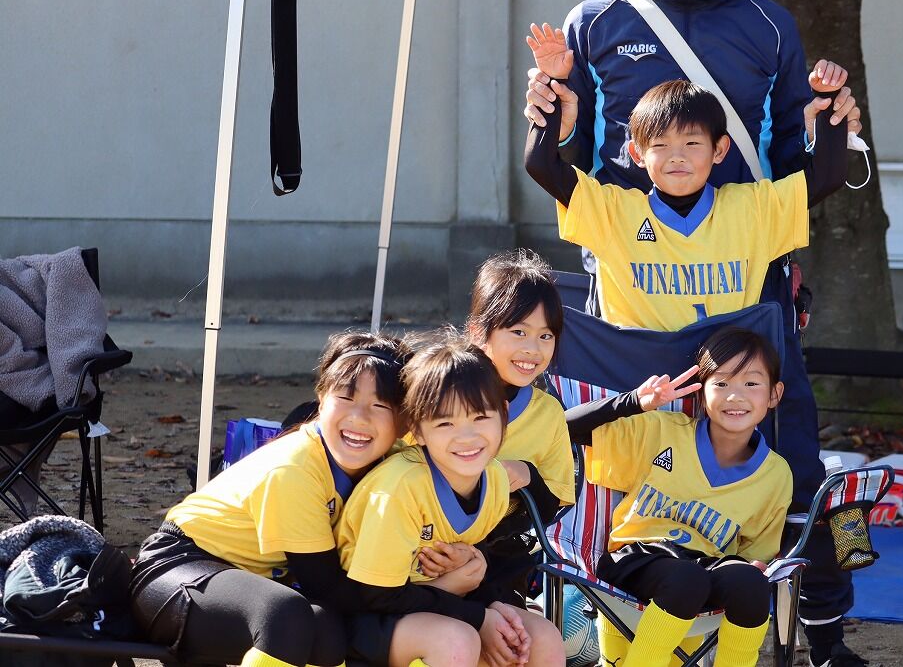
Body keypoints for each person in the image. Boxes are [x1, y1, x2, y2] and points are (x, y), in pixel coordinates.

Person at [522, 0, 867, 665]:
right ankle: (598, 630)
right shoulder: (596, 22)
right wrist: (546, 112)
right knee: (617, 461)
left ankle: (824, 638)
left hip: (745, 290)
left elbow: (792, 158)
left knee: (792, 456)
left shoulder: (769, 23)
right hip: (635, 292)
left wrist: (833, 122)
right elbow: (570, 162)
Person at [130, 331, 438, 667]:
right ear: (321, 397)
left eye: (381, 405)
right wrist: (450, 600)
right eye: (345, 397)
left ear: (405, 420)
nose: (359, 417)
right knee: (287, 615)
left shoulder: (399, 464)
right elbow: (327, 586)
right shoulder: (296, 466)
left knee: (328, 631)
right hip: (176, 570)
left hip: (255, 585)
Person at [525, 74, 847, 331]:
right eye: (660, 144)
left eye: (692, 143)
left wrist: (829, 101)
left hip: (724, 388)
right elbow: (540, 164)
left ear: (719, 149)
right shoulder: (611, 212)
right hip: (639, 389)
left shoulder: (753, 210)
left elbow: (829, 175)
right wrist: (551, 91)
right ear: (637, 153)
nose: (677, 156)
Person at [564, 326, 792, 667]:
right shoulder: (661, 430)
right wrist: (635, 402)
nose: (735, 396)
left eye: (751, 383)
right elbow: (564, 428)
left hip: (706, 568)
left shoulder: (776, 474)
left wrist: (756, 568)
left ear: (774, 394)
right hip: (636, 557)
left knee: (750, 583)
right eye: (721, 383)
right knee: (687, 579)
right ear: (701, 391)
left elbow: (755, 553)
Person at [336, 336, 565, 667]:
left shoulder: (496, 479)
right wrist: (477, 615)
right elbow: (376, 594)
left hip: (438, 602)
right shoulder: (400, 488)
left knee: (541, 637)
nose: (466, 437)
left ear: (503, 414)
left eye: (480, 417)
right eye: (445, 423)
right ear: (417, 428)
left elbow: (467, 566)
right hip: (364, 616)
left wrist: (489, 603)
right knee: (457, 641)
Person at [418, 250, 575, 602]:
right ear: (479, 331)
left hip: (496, 559)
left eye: (546, 336)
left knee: (530, 635)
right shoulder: (436, 389)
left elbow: (549, 509)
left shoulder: (547, 413)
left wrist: (527, 474)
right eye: (518, 331)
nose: (532, 349)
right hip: (419, 551)